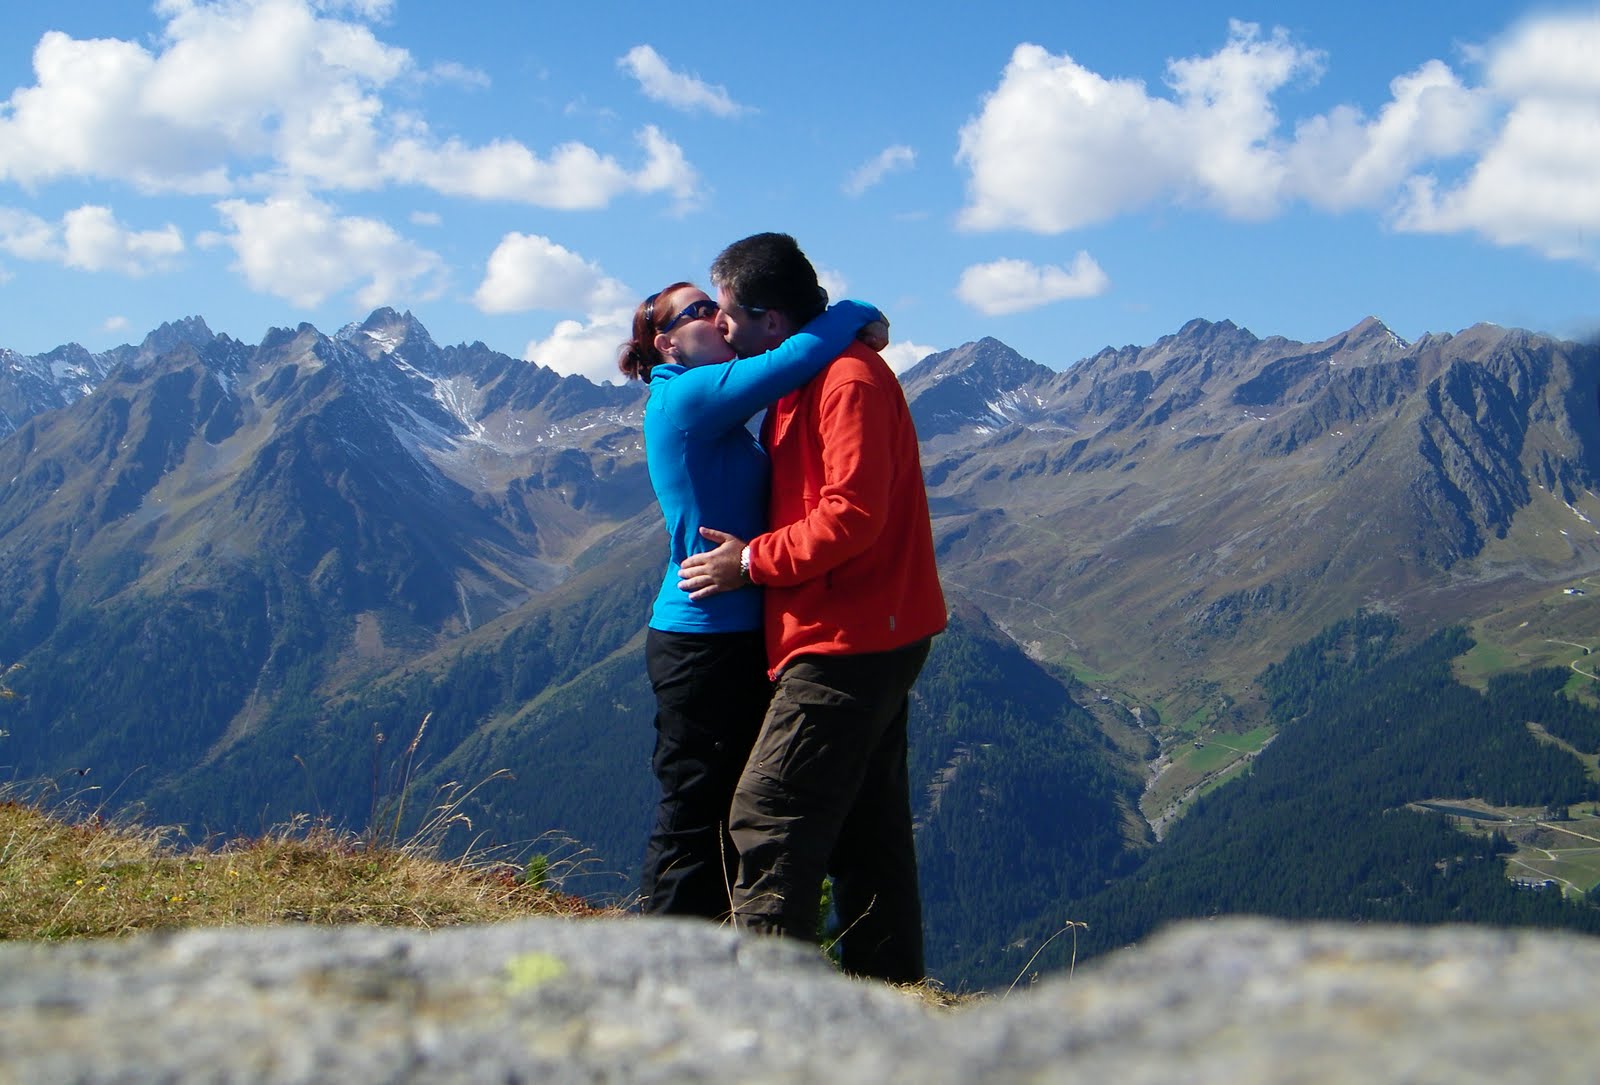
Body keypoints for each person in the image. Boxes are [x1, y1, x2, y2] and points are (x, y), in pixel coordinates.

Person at [677, 233, 946, 983]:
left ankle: (771, 1013)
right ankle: (885, 994)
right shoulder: (806, 373)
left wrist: (751, 561)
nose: (720, 326)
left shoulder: (846, 381)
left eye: (726, 312)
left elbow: (852, 513)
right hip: (866, 624)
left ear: (769, 318)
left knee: (768, 815)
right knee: (868, 829)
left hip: (849, 636)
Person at [619, 280, 887, 921]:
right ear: (667, 343)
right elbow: (791, 358)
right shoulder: (684, 396)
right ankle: (665, 965)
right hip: (701, 639)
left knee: (730, 801)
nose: (717, 317)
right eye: (700, 311)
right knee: (694, 811)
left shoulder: (713, 409)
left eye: (718, 307)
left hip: (733, 631)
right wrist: (855, 313)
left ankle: (711, 954)